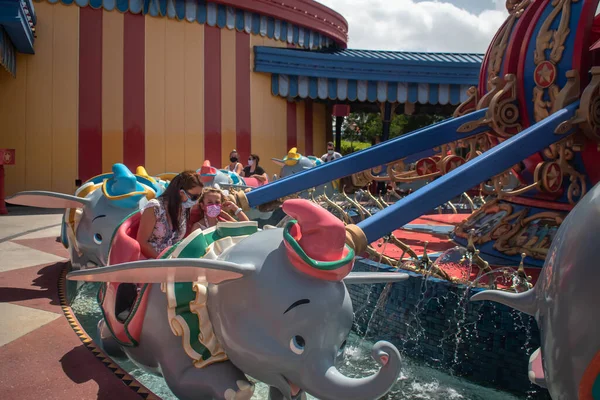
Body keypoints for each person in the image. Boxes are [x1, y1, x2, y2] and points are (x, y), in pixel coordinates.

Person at [137, 171, 203, 259]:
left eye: (200, 196)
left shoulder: (184, 207)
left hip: (172, 261)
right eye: (195, 197)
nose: (196, 201)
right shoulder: (155, 208)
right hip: (152, 261)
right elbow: (142, 242)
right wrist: (163, 261)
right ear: (181, 192)